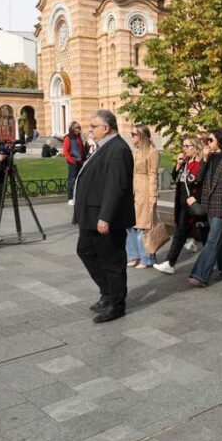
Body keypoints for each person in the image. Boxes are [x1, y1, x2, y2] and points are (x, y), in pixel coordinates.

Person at [74, 110, 135, 323]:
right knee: (85, 250)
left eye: (93, 126)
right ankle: (107, 292)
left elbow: (115, 186)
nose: (90, 130)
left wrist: (105, 217)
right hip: (90, 215)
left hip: (105, 218)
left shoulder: (118, 149)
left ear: (106, 128)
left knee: (112, 261)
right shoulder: (103, 146)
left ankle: (117, 304)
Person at [189, 130, 222, 287]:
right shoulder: (210, 157)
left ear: (219, 141)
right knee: (220, 239)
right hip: (209, 204)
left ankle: (200, 274)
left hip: (221, 205)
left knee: (212, 240)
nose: (207, 142)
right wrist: (203, 159)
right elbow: (199, 178)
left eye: (211, 140)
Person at [154, 137, 204, 275]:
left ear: (195, 147)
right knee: (188, 232)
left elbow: (201, 185)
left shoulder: (200, 164)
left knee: (181, 232)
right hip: (181, 202)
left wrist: (195, 199)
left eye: (188, 146)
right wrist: (178, 165)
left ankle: (170, 262)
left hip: (192, 203)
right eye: (184, 146)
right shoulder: (186, 163)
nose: (184, 149)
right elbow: (175, 178)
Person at [125, 125, 160, 269]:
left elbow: (153, 174)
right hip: (133, 189)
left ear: (141, 136)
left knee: (143, 226)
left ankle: (147, 259)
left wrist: (153, 195)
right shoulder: (136, 151)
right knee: (129, 225)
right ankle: (134, 256)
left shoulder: (151, 152)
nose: (131, 136)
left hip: (145, 190)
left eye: (133, 134)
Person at [63, 122, 86, 206]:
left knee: (79, 179)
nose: (78, 129)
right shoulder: (68, 138)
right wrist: (72, 161)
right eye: (76, 128)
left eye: (79, 128)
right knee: (72, 180)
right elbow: (65, 151)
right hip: (73, 162)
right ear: (72, 128)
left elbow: (82, 149)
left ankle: (77, 197)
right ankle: (70, 198)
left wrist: (83, 159)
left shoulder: (78, 137)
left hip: (80, 162)